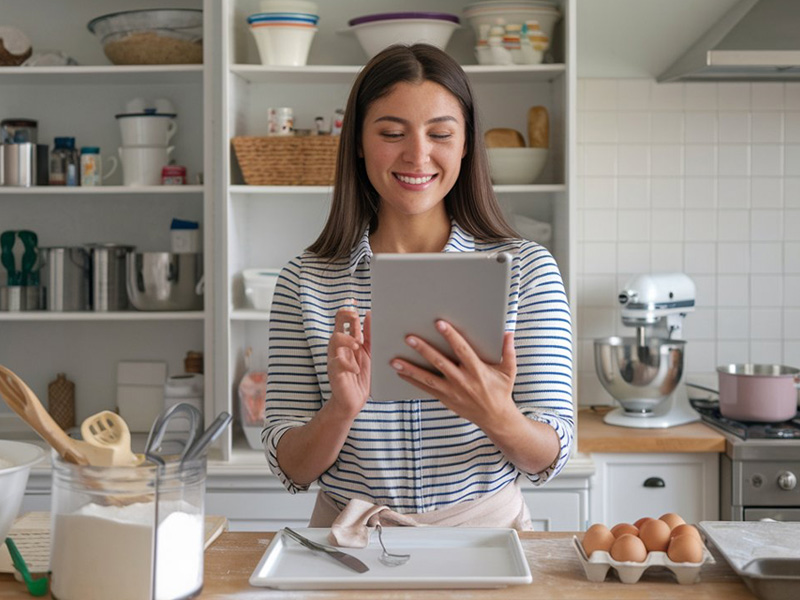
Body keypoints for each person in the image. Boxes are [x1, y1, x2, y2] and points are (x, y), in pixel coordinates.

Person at [263, 43, 573, 531]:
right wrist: (340, 411)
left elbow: (550, 456)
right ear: (359, 142)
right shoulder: (305, 280)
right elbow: (292, 468)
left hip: (486, 541)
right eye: (392, 132)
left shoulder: (528, 271)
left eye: (441, 133)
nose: (418, 155)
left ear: (467, 142)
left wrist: (496, 413)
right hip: (351, 548)